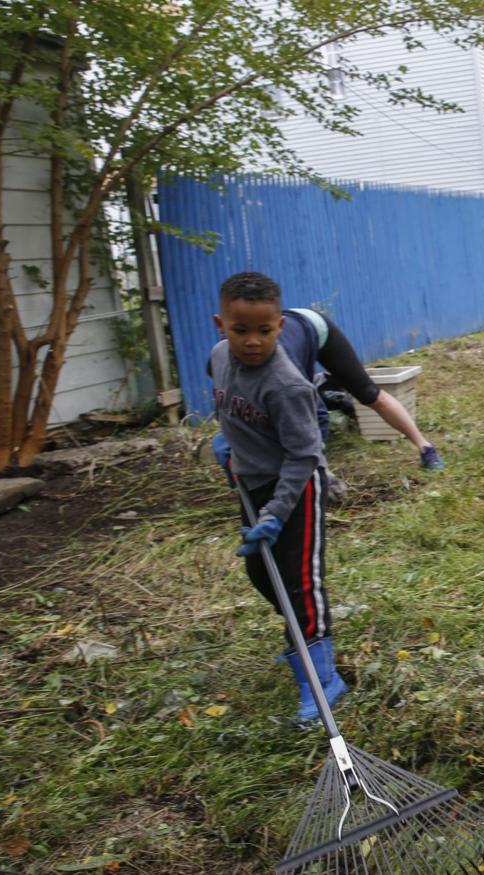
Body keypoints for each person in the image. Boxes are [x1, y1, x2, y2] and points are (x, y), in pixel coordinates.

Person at [208, 272, 347, 723]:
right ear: (220, 325)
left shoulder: (286, 384)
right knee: (261, 573)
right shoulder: (218, 358)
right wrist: (227, 437)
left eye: (264, 331)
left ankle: (321, 676)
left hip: (297, 484)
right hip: (252, 480)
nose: (252, 341)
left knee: (300, 580)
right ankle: (299, 638)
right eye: (240, 330)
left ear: (280, 328)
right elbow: (227, 400)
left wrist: (276, 512)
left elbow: (305, 455)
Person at [279, 308, 444, 471]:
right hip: (294, 341)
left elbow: (316, 413)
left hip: (315, 326)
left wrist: (316, 466)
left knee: (369, 393)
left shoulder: (284, 364)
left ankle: (426, 448)